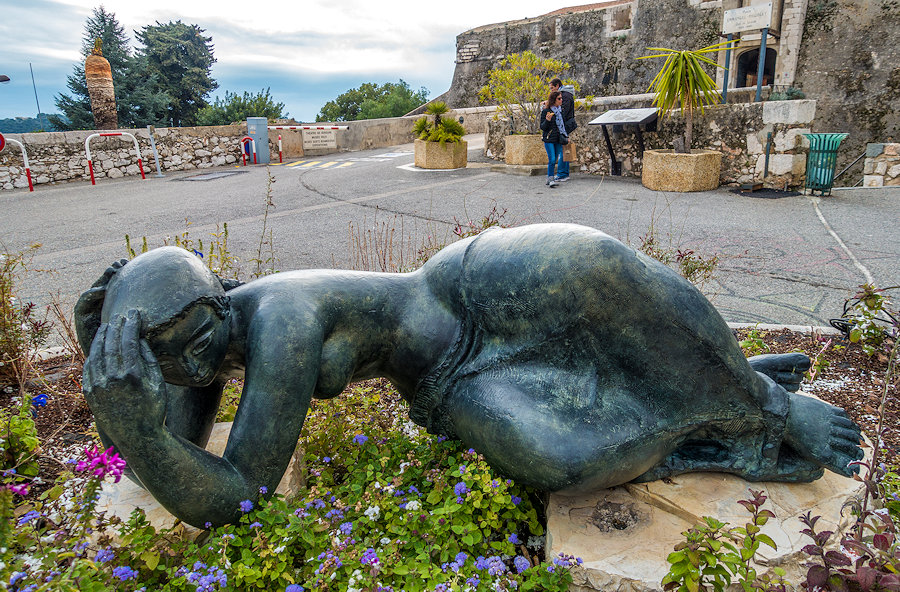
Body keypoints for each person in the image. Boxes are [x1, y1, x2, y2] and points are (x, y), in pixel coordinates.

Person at [76, 224, 863, 528]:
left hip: (462, 288)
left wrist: (142, 433)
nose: (194, 365)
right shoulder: (197, 346)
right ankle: (703, 414)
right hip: (445, 378)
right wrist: (123, 403)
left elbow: (236, 494)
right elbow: (184, 466)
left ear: (217, 300)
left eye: (197, 339)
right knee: (562, 461)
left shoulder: (280, 319)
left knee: (594, 267)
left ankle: (760, 404)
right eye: (168, 358)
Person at [550, 78, 576, 182]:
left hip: (564, 125)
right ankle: (563, 173)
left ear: (557, 86)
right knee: (564, 149)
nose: (551, 90)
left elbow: (563, 112)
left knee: (562, 150)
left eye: (552, 88)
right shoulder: (566, 95)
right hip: (566, 125)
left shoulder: (564, 96)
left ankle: (562, 174)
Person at [540, 91, 567, 188]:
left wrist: (565, 135)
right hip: (549, 139)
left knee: (555, 159)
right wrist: (547, 120)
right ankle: (551, 179)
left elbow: (562, 126)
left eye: (561, 98)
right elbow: (542, 127)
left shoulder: (560, 111)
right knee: (551, 159)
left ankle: (549, 178)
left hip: (558, 139)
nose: (561, 100)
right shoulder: (546, 111)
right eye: (559, 98)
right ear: (553, 100)